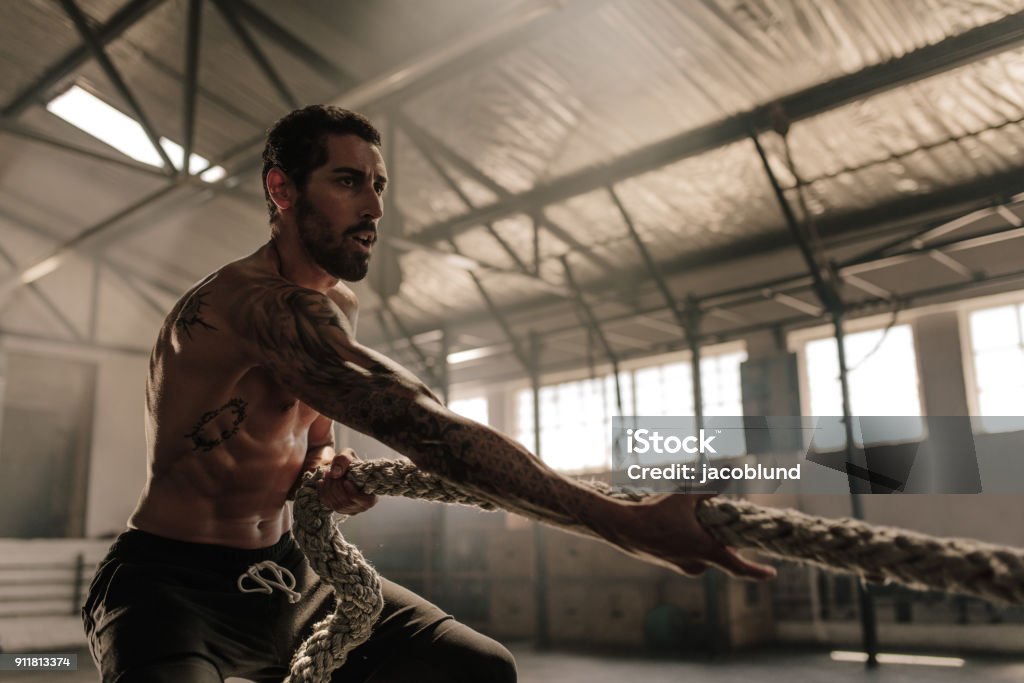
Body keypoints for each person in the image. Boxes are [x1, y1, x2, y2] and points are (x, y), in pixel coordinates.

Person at [82, 105, 775, 682]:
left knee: (479, 670)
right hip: (170, 584)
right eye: (349, 181)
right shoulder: (248, 305)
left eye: (380, 184)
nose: (376, 206)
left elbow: (315, 440)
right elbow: (416, 421)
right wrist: (621, 520)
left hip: (287, 570)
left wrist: (325, 474)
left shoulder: (337, 306)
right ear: (283, 190)